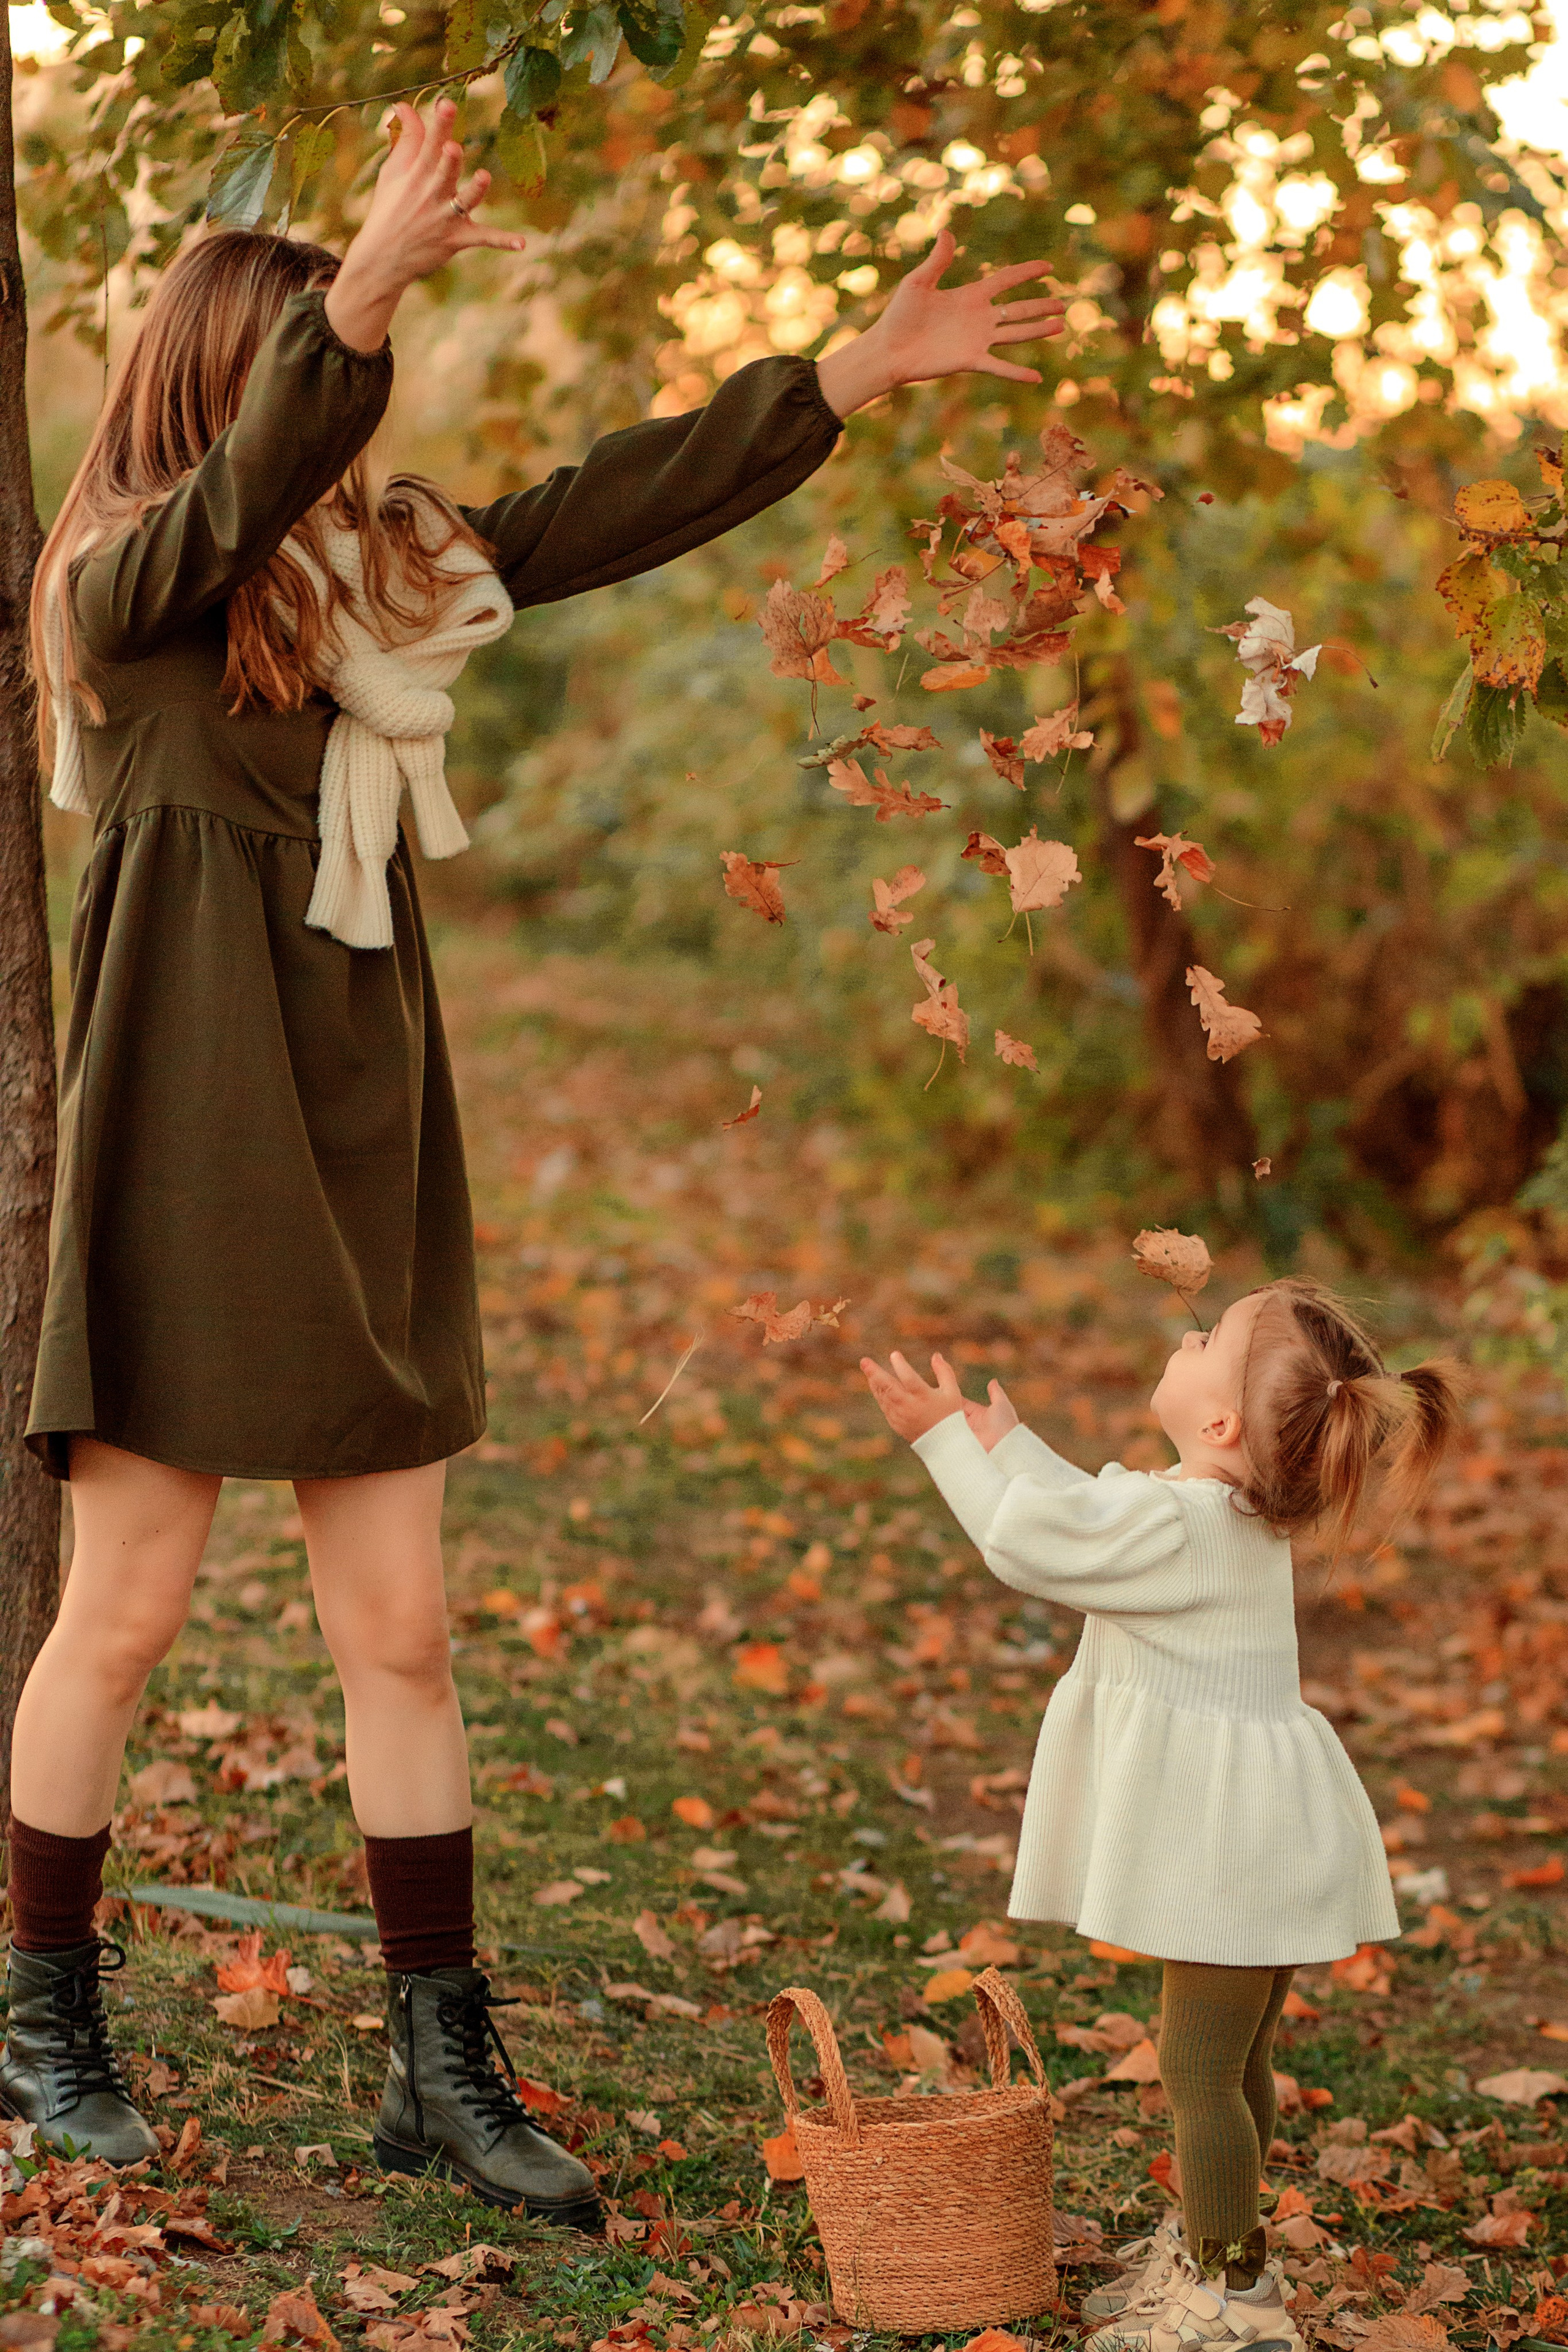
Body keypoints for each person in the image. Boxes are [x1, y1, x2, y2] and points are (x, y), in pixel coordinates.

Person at [5, 94, 1066, 2204]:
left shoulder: (377, 595)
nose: (356, 443)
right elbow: (236, 498)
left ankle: (436, 2066)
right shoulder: (125, 599)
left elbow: (601, 507)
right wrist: (370, 287)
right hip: (184, 1158)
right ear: (244, 376)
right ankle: (39, 2025)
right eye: (320, 365)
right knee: (119, 1618)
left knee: (399, 1633)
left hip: (361, 1142)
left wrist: (839, 377)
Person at [862, 1279, 1462, 2352]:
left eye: (1207, 1338)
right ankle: (1214, 2251)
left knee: (1196, 2072)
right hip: (1265, 1836)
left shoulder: (1178, 1524)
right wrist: (1012, 1447)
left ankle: (1234, 2299)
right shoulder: (1215, 1512)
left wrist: (946, 1446)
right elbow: (1091, 1519)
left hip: (1229, 1851)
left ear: (1222, 1422)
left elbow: (1035, 1548)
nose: (1185, 1335)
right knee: (1232, 2067)